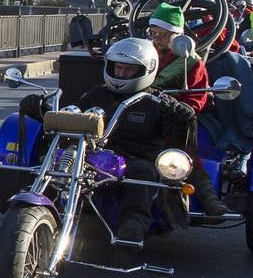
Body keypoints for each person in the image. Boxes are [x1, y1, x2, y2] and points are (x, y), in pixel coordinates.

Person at [78, 37, 196, 244]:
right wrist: (41, 108)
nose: (121, 74)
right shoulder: (96, 95)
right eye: (118, 68)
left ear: (145, 70)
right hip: (93, 157)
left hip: (136, 159)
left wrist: (180, 113)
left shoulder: (157, 101)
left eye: (128, 70)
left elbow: (184, 124)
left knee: (142, 173)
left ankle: (133, 226)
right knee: (58, 161)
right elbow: (71, 115)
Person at [145, 3, 229, 217]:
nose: (157, 40)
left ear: (178, 36)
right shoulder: (146, 54)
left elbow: (197, 96)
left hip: (177, 116)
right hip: (145, 110)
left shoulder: (191, 61)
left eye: (162, 35)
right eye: (153, 34)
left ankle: (208, 198)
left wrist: (184, 109)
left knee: (183, 155)